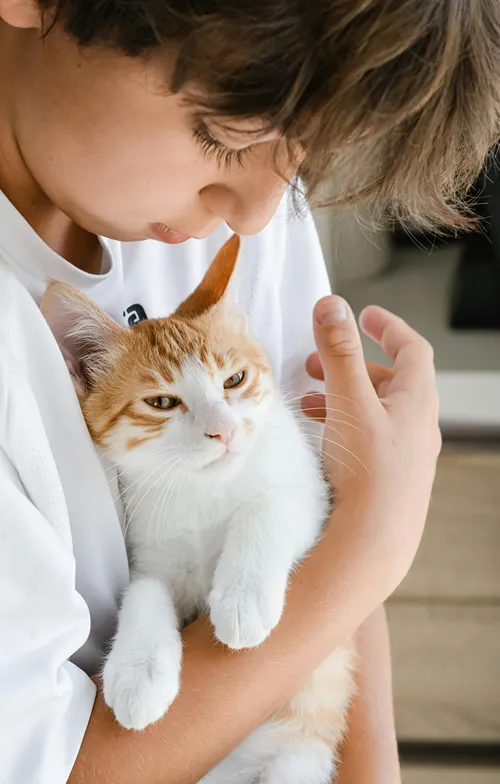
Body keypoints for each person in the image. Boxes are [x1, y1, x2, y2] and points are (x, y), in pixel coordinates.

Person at [0, 1, 498, 782]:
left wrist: (359, 543)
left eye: (299, 160)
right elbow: (47, 765)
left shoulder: (235, 225)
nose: (260, 211)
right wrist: (375, 544)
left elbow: (330, 548)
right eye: (221, 136)